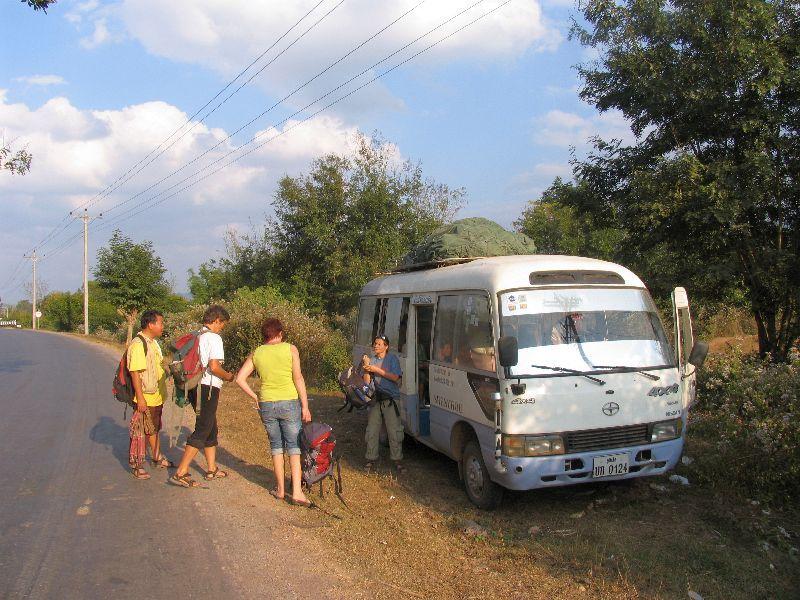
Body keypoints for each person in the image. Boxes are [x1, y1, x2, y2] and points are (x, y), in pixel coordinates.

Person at [235, 318, 312, 507]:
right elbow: (298, 377)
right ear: (280, 333)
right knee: (294, 446)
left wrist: (255, 396)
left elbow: (240, 379)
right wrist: (305, 406)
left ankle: (280, 489)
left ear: (264, 335)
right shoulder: (290, 349)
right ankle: (297, 492)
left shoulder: (257, 352)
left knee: (276, 446)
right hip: (289, 401)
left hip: (267, 403)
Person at [171, 305, 236, 488]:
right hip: (207, 387)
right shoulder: (214, 338)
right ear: (216, 320)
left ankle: (211, 468)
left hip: (193, 386)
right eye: (222, 324)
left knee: (210, 427)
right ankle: (181, 471)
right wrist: (229, 376)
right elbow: (214, 367)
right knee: (203, 427)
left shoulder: (196, 335)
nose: (222, 327)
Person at [128, 309, 171, 480]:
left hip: (156, 396)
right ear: (150, 324)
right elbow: (135, 373)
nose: (163, 326)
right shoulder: (139, 345)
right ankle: (137, 465)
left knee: (153, 428)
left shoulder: (153, 343)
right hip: (145, 397)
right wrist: (140, 399)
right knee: (141, 433)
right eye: (160, 323)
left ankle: (156, 456)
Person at [363, 335, 405, 473]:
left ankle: (397, 460)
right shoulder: (372, 359)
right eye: (375, 343)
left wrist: (377, 370)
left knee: (394, 431)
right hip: (376, 399)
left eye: (379, 344)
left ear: (386, 346)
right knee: (372, 430)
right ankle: (370, 458)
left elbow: (395, 377)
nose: (376, 346)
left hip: (391, 399)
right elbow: (367, 382)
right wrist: (367, 369)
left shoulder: (392, 359)